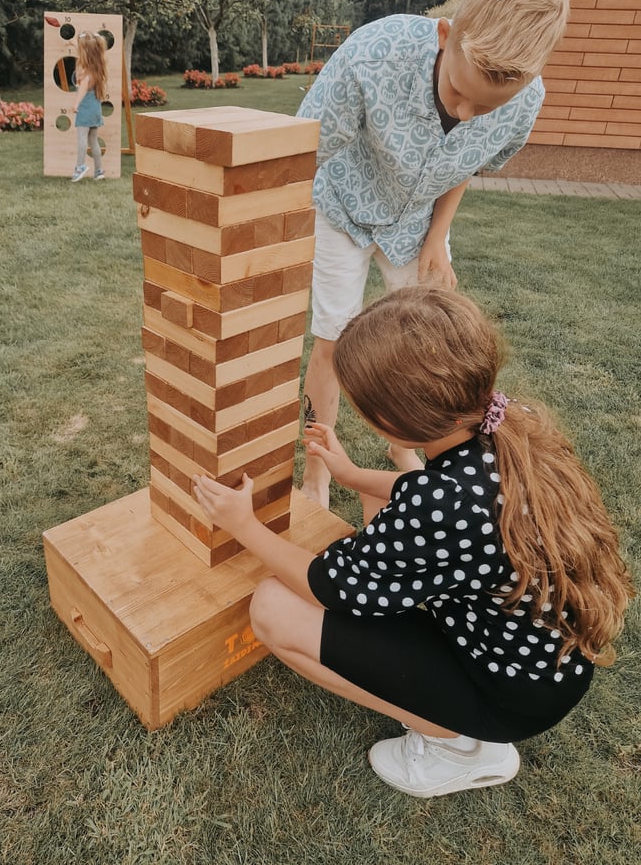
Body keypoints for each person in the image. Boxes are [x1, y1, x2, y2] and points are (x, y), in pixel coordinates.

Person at [192, 287, 634, 798]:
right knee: (375, 532)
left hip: (504, 694)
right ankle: (455, 724)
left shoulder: (444, 503)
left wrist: (243, 526)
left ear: (395, 420)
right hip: (539, 665)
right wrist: (355, 475)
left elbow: (328, 587)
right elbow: (433, 489)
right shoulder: (506, 425)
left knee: (272, 607)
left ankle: (458, 746)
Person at [297, 0, 570, 507]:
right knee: (332, 341)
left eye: (486, 106)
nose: (468, 113)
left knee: (427, 346)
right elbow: (305, 150)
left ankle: (405, 448)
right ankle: (317, 472)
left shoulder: (525, 99)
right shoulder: (373, 53)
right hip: (344, 206)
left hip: (420, 219)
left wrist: (437, 239)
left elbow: (464, 160)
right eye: (457, 94)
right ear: (446, 35)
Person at [71, 31, 107, 182]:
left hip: (85, 109)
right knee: (94, 141)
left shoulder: (86, 76)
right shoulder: (97, 71)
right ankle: (99, 171)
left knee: (81, 139)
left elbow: (82, 90)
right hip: (96, 110)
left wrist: (75, 104)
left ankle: (80, 166)